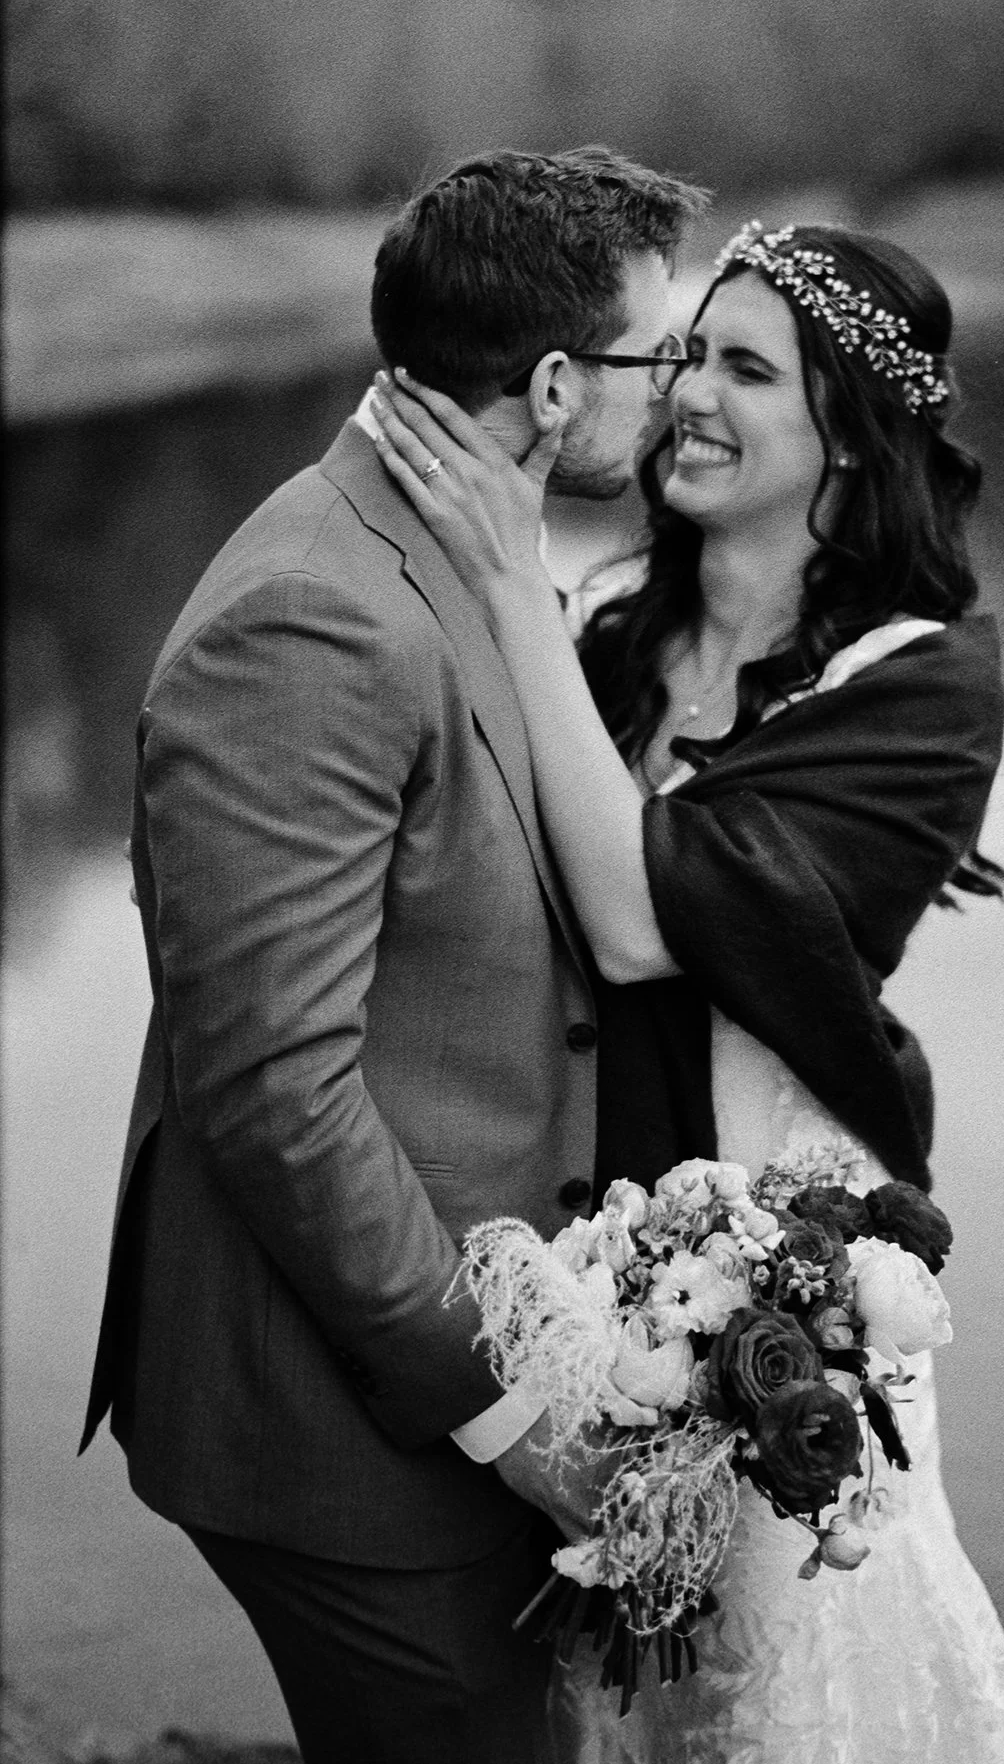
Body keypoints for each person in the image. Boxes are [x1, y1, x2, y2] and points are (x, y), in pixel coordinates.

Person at [369, 217, 1004, 1762]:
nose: (685, 392)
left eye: (746, 368)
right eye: (683, 353)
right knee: (600, 1662)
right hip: (584, 1207)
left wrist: (502, 562)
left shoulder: (926, 685)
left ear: (854, 449)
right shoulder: (613, 635)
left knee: (774, 1658)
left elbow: (630, 918)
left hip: (774, 1256)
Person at [80, 146, 708, 1764]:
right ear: (558, 386)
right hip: (353, 1425)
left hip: (457, 1361)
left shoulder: (457, 544)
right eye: (665, 355)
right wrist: (513, 1413)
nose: (683, 389)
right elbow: (276, 1094)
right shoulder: (310, 615)